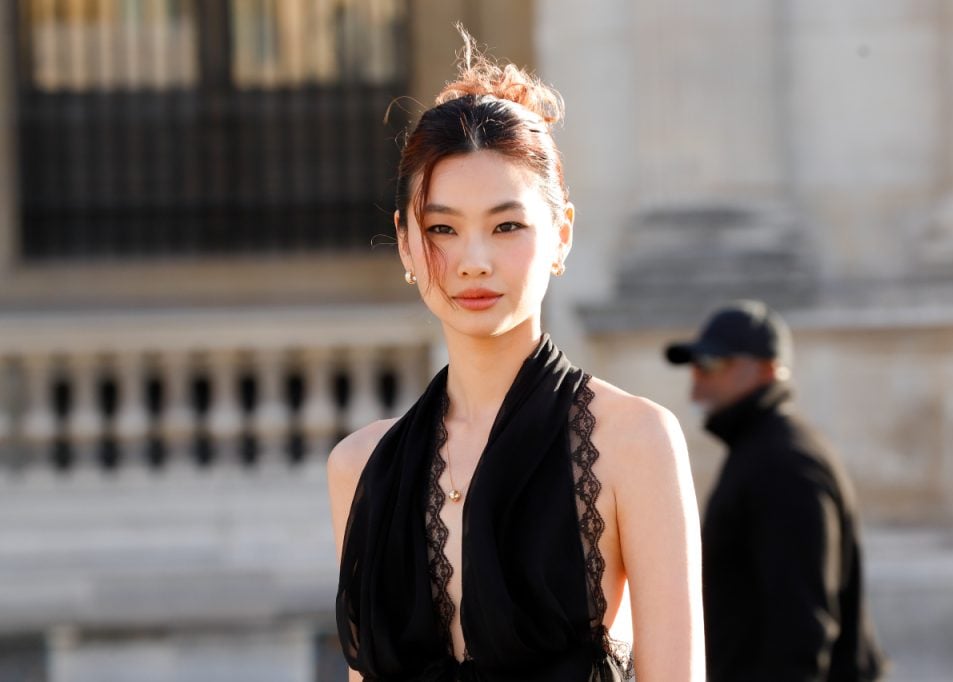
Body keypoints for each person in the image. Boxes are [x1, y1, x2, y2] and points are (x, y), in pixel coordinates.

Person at [327, 32, 704, 682]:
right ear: (407, 245)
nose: (474, 261)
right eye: (443, 229)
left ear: (560, 236)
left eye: (506, 227)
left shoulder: (635, 441)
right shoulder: (359, 466)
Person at [666, 300, 887, 681]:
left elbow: (803, 625)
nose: (698, 379)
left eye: (712, 364)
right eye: (695, 365)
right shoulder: (761, 451)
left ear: (768, 369)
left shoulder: (784, 463)